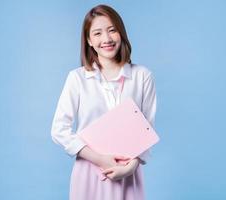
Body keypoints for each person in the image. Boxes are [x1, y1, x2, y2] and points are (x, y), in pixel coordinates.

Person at [51, 4, 156, 200]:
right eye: (97, 33)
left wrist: (131, 167)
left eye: (112, 30)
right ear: (89, 40)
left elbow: (147, 129)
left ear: (121, 33)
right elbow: (59, 130)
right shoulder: (77, 78)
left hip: (127, 173)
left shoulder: (142, 76)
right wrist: (99, 159)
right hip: (89, 172)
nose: (106, 39)